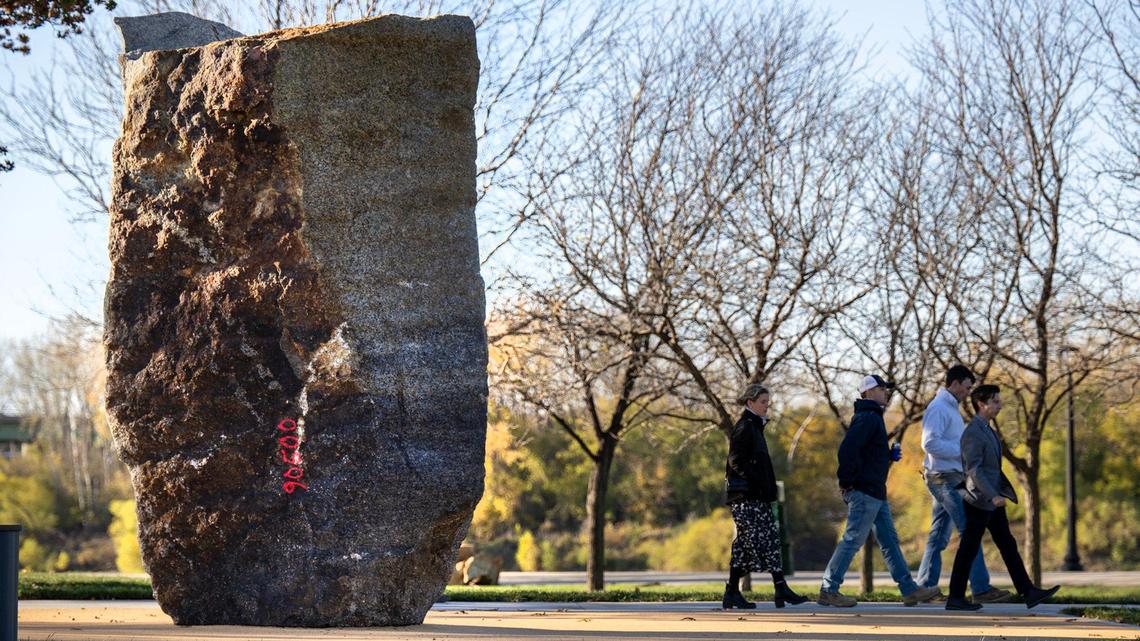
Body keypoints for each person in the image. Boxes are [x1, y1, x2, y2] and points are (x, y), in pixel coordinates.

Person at [817, 375, 941, 608]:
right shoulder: (867, 418)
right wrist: (846, 481)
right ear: (870, 391)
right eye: (883, 388)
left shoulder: (872, 417)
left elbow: (865, 453)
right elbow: (847, 450)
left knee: (889, 541)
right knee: (853, 540)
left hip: (875, 491)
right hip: (865, 491)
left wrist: (887, 455)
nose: (887, 392)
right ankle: (828, 589)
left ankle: (909, 590)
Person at [945, 384, 1061, 611]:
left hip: (991, 499)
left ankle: (1028, 592)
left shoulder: (988, 430)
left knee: (1008, 544)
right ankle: (955, 598)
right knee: (969, 548)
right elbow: (974, 470)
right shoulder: (973, 433)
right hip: (979, 500)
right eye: (995, 401)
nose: (1000, 405)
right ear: (981, 404)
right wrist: (993, 495)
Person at [916, 365, 1011, 603]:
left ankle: (924, 588)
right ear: (955, 383)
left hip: (948, 475)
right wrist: (962, 452)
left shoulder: (950, 408)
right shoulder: (939, 408)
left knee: (938, 536)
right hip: (944, 478)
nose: (968, 393)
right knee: (970, 529)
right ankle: (981, 588)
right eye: (967, 387)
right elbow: (929, 443)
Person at [722, 383, 808, 610]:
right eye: (763, 402)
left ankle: (773, 588)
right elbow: (736, 461)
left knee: (763, 541)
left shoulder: (755, 427)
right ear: (750, 403)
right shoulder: (745, 427)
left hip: (756, 496)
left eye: (768, 403)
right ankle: (744, 590)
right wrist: (757, 483)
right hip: (745, 496)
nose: (767, 406)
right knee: (753, 543)